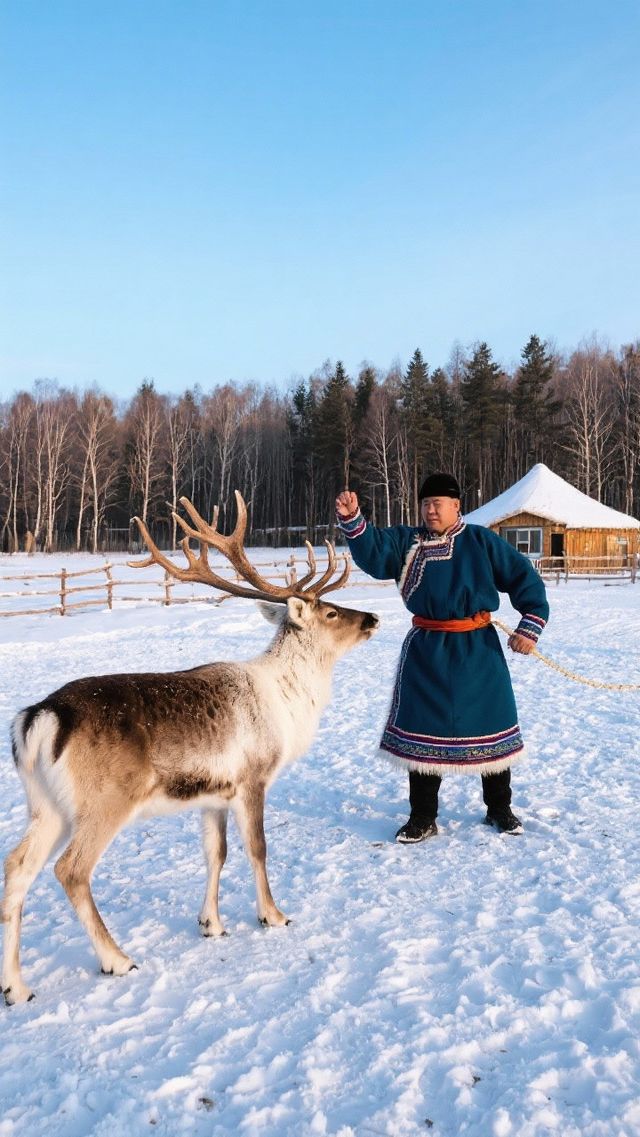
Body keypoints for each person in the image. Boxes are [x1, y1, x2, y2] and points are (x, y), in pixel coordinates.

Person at [335, 473, 549, 842]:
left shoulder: (481, 541)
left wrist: (529, 625)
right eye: (425, 503)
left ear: (456, 506)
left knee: (490, 727)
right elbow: (373, 550)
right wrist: (355, 520)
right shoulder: (407, 542)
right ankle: (422, 817)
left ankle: (499, 808)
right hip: (427, 651)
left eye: (439, 503)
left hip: (478, 649)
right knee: (423, 731)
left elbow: (523, 577)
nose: (431, 509)